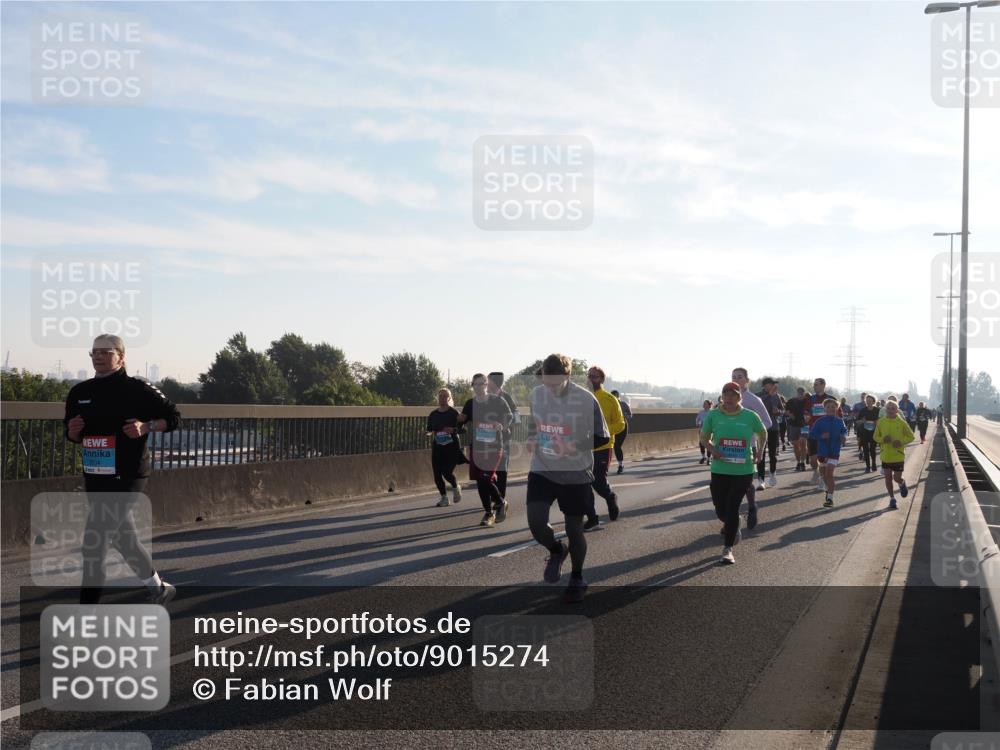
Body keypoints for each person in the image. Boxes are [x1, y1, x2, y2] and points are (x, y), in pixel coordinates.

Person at [64, 334, 181, 605]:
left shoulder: (137, 388)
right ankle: (158, 588)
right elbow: (71, 434)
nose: (98, 356)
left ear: (121, 356)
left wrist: (147, 426)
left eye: (106, 352)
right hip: (96, 474)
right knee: (122, 537)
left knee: (94, 544)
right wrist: (73, 432)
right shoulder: (79, 392)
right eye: (94, 352)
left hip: (129, 473)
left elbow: (173, 418)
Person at [526, 353, 610, 603]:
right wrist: (531, 437)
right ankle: (556, 549)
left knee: (574, 528)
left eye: (555, 383)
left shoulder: (586, 399)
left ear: (567, 376)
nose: (549, 388)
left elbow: (602, 437)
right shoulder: (537, 395)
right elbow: (534, 425)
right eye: (546, 382)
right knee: (536, 523)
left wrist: (574, 446)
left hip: (575, 472)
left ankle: (577, 577)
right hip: (543, 468)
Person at [700, 382, 767, 565]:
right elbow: (703, 438)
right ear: (722, 396)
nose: (729, 398)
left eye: (733, 394)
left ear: (739, 397)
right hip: (720, 468)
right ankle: (733, 522)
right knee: (720, 508)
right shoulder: (713, 415)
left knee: (732, 505)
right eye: (726, 394)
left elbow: (762, 433)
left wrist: (760, 452)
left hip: (743, 470)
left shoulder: (749, 416)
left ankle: (727, 549)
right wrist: (713, 450)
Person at [458, 374, 512, 527]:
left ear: (486, 384)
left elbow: (509, 417)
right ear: (473, 386)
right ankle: (494, 508)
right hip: (477, 447)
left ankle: (494, 508)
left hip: (494, 447)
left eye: (481, 384)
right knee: (481, 482)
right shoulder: (470, 403)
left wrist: (502, 424)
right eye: (475, 384)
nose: (478, 387)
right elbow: (462, 422)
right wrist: (460, 421)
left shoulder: (497, 401)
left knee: (485, 479)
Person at [584, 367, 626, 530]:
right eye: (589, 376)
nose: (591, 379)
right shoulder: (582, 397)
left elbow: (620, 423)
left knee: (598, 480)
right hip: (584, 446)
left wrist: (606, 432)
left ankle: (610, 497)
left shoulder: (610, 399)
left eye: (594, 376)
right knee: (584, 483)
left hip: (603, 445)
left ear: (601, 379)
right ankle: (592, 517)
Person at [731, 368, 772, 529]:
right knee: (728, 483)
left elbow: (767, 422)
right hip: (728, 447)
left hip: (747, 447)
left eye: (739, 377)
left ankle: (752, 506)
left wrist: (752, 436)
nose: (736, 379)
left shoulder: (753, 400)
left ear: (747, 380)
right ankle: (730, 518)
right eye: (733, 377)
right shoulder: (725, 399)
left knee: (745, 482)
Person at [426, 388, 466, 507]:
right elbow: (430, 428)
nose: (442, 398)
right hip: (438, 447)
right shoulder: (433, 414)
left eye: (445, 396)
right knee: (437, 474)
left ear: (449, 398)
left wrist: (453, 430)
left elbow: (464, 429)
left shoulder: (454, 413)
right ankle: (444, 498)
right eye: (440, 396)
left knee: (446, 472)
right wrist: (427, 432)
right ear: (437, 398)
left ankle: (455, 486)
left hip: (452, 447)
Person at [874, 400, 914, 509]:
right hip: (886, 455)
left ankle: (902, 483)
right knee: (887, 478)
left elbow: (911, 436)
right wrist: (882, 439)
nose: (890, 410)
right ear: (885, 410)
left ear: (897, 410)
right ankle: (892, 499)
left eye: (893, 408)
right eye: (888, 408)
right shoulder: (881, 422)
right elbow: (875, 437)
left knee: (896, 478)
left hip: (898, 455)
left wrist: (901, 442)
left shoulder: (902, 422)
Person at [804, 378, 842, 491]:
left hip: (827, 434)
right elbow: (806, 412)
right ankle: (815, 471)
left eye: (816, 385)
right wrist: (806, 417)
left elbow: (839, 415)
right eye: (814, 385)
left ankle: (822, 479)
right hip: (814, 432)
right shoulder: (810, 399)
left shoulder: (831, 399)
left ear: (823, 385)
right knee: (812, 459)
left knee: (823, 459)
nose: (814, 387)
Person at [810, 399, 848, 507]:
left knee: (829, 474)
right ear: (824, 408)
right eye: (828, 407)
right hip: (822, 452)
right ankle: (827, 490)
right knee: (824, 475)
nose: (831, 408)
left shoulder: (839, 421)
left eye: (833, 407)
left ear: (837, 408)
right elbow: (812, 434)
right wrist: (821, 436)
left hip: (834, 452)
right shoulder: (820, 421)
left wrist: (843, 437)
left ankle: (830, 499)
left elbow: (844, 431)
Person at [487, 372, 518, 499]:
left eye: (488, 381)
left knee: (501, 468)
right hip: (487, 439)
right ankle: (494, 495)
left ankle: (501, 498)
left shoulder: (506, 397)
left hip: (503, 439)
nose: (486, 384)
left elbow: (515, 414)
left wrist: (506, 427)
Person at [757, 377, 783, 489]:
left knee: (772, 453)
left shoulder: (777, 396)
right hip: (761, 428)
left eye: (773, 384)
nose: (773, 386)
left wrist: (779, 412)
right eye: (771, 384)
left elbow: (782, 410)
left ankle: (772, 473)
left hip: (773, 428)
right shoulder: (757, 395)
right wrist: (769, 395)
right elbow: (758, 404)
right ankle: (761, 480)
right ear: (765, 385)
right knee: (760, 454)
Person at [785, 387, 808, 472]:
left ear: (804, 393)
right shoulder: (791, 401)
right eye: (799, 392)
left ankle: (803, 462)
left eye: (802, 392)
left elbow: (811, 410)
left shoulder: (807, 401)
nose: (800, 394)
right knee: (795, 444)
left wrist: (808, 417)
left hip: (804, 425)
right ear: (796, 393)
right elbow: (786, 411)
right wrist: (789, 415)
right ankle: (798, 462)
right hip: (793, 425)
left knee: (802, 442)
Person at [856, 395, 881, 472]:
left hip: (874, 432)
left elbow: (882, 421)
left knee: (872, 449)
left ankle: (873, 463)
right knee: (866, 450)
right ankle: (867, 467)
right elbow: (857, 422)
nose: (868, 402)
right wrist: (862, 421)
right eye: (867, 400)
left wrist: (877, 422)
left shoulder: (878, 410)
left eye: (870, 400)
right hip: (864, 432)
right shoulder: (863, 410)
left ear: (874, 401)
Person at [610, 389, 632, 474]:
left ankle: (621, 465)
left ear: (618, 397)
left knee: (617, 446)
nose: (615, 398)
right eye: (613, 397)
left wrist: (623, 416)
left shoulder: (623, 404)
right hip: (612, 427)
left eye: (616, 397)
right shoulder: (609, 404)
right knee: (609, 446)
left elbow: (630, 415)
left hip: (623, 427)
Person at [695, 399, 713, 465]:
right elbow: (697, 419)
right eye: (703, 404)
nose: (704, 405)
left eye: (705, 404)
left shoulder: (712, 412)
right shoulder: (701, 412)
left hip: (710, 431)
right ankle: (703, 457)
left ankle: (709, 459)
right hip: (702, 430)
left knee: (708, 444)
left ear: (709, 405)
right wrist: (698, 423)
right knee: (701, 443)